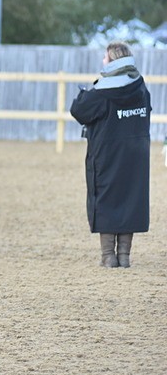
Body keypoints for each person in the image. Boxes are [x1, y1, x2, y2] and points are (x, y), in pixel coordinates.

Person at [69, 40, 152, 267]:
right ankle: (124, 256)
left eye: (105, 58)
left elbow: (78, 110)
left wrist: (91, 88)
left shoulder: (102, 91)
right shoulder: (141, 87)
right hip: (136, 155)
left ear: (113, 61)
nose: (102, 61)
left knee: (106, 197)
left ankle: (108, 256)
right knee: (130, 198)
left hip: (108, 154)